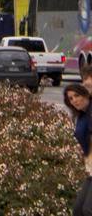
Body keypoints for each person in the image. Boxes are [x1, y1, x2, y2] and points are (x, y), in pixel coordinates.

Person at [67, 83, 92, 215]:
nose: (74, 100)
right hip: (90, 169)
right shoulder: (81, 116)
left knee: (88, 210)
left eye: (77, 96)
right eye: (71, 98)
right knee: (78, 210)